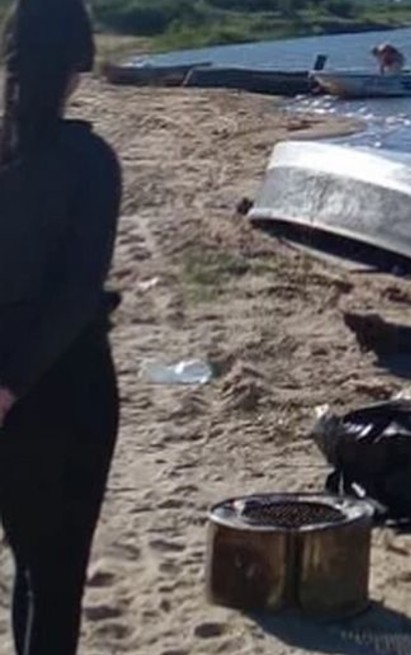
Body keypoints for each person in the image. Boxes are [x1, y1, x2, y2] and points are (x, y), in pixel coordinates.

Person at [0, 0, 123, 652]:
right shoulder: (90, 160)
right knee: (54, 582)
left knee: (29, 566)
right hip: (67, 391)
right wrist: (11, 387)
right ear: (77, 61)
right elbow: (76, 293)